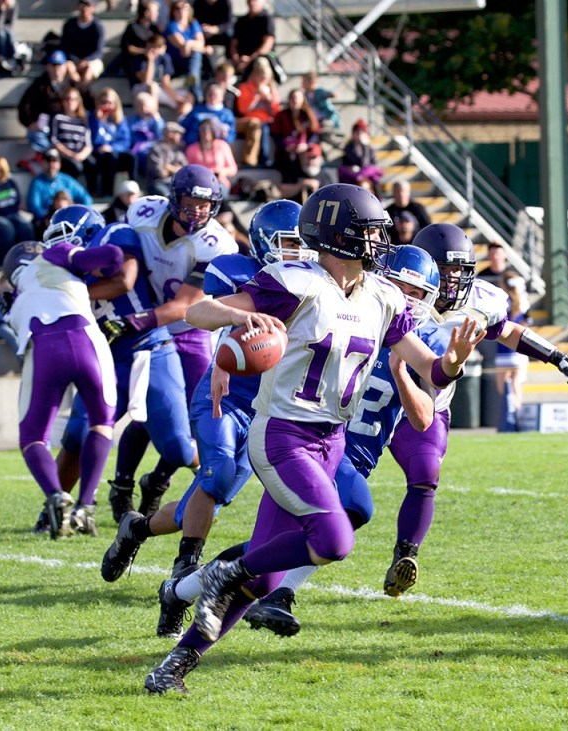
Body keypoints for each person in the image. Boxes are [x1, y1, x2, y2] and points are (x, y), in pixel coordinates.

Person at [142, 184, 485, 694]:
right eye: (369, 232)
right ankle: (219, 572)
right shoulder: (296, 282)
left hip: (332, 441)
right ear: (339, 234)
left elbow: (429, 368)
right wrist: (244, 317)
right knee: (332, 540)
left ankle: (175, 663)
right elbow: (198, 312)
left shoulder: (382, 296)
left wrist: (454, 360)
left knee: (264, 579)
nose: (378, 242)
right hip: (282, 434)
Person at [99, 202, 315, 615]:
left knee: (209, 499)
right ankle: (185, 569)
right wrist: (238, 320)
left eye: (302, 245)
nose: (297, 254)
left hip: (268, 409)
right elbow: (200, 311)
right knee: (214, 473)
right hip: (225, 394)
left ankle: (136, 528)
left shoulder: (315, 284)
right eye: (288, 243)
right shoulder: (240, 271)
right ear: (265, 242)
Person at [241, 243, 445, 637]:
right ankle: (279, 594)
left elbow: (423, 419)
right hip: (314, 441)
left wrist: (404, 372)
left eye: (418, 294)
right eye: (402, 288)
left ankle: (186, 588)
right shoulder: (357, 313)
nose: (409, 299)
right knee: (352, 510)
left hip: (350, 454)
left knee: (279, 545)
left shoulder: (421, 342)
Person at [374, 223, 568, 599]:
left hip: (426, 405)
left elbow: (508, 331)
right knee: (343, 492)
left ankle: (405, 555)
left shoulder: (480, 300)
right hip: (368, 400)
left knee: (426, 474)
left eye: (460, 269)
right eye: (446, 269)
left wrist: (556, 356)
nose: (454, 278)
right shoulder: (393, 290)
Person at [103, 164, 238, 525]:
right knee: (147, 412)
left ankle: (158, 478)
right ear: (173, 199)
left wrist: (133, 320)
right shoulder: (143, 212)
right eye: (191, 202)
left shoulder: (217, 242)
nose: (197, 211)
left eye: (205, 205)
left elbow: (185, 306)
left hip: (190, 328)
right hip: (149, 330)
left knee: (196, 419)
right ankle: (122, 485)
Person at [55, 219, 197, 535]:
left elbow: (125, 281)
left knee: (179, 450)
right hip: (107, 359)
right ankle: (57, 507)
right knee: (77, 433)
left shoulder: (116, 236)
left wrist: (66, 290)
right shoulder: (61, 274)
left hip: (150, 350)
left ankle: (216, 474)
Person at [3, 208, 122, 539]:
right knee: (101, 423)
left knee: (32, 437)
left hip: (43, 352)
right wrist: (95, 266)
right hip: (85, 341)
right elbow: (112, 255)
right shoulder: (56, 253)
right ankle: (86, 505)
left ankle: (56, 495)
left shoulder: (14, 298)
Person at [478, 242, 530, 431]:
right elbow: (526, 322)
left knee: (503, 388)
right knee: (517, 386)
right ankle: (517, 416)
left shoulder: (501, 303)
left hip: (503, 351)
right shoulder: (522, 303)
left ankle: (509, 419)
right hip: (519, 351)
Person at [17, 49, 78, 157]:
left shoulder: (71, 84)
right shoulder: (40, 85)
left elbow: (88, 100)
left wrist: (75, 77)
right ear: (48, 67)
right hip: (46, 130)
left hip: (65, 130)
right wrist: (30, 122)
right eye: (53, 65)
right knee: (36, 137)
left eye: (59, 65)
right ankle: (51, 157)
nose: (56, 69)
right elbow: (24, 106)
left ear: (65, 66)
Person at [26, 148, 94, 227]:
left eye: (54, 161)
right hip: (47, 222)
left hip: (69, 220)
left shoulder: (67, 180)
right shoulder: (37, 182)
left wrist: (79, 214)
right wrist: (51, 219)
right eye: (48, 161)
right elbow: (34, 206)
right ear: (42, 163)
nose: (51, 165)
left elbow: (86, 198)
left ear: (59, 163)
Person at [129, 33, 193, 117]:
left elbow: (165, 83)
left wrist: (175, 98)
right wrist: (150, 61)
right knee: (152, 85)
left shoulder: (165, 58)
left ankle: (182, 118)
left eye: (155, 48)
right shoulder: (138, 59)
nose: (152, 51)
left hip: (160, 89)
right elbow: (146, 80)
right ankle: (155, 117)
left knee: (187, 96)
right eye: (150, 47)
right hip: (141, 89)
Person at [88, 88, 135, 197]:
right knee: (109, 158)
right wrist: (99, 121)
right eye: (104, 103)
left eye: (110, 103)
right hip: (98, 153)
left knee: (131, 158)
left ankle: (133, 189)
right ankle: (107, 192)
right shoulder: (92, 118)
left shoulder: (120, 120)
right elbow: (93, 139)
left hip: (115, 151)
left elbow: (125, 141)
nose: (107, 106)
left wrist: (111, 147)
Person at [234, 55, 279, 167]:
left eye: (265, 77)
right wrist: (256, 97)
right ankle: (257, 159)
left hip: (267, 121)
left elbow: (274, 113)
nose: (262, 80)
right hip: (250, 120)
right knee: (258, 126)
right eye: (260, 76)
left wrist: (268, 101)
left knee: (266, 127)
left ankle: (268, 158)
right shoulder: (245, 87)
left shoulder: (272, 89)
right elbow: (243, 110)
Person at [164, 0, 208, 102]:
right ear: (173, 11)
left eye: (185, 7)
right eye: (178, 8)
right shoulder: (171, 26)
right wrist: (197, 46)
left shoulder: (193, 23)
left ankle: (194, 86)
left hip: (192, 61)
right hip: (177, 62)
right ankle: (197, 94)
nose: (182, 11)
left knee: (195, 55)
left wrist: (189, 44)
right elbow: (181, 45)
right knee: (196, 54)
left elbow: (201, 42)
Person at [50, 87, 94, 186]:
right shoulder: (58, 118)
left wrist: (81, 155)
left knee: (92, 163)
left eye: (73, 99)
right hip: (65, 154)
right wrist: (70, 154)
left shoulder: (83, 121)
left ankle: (93, 193)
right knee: (76, 167)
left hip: (80, 153)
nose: (70, 102)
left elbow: (88, 144)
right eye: (67, 99)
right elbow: (54, 140)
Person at [185, 118, 237, 198]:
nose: (206, 131)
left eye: (209, 128)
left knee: (219, 193)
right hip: (198, 184)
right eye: (203, 129)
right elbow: (188, 170)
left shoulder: (222, 145)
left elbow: (233, 168)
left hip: (218, 182)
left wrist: (222, 172)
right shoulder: (191, 149)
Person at [60, 0, 106, 88]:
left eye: (87, 5)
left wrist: (86, 61)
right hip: (73, 59)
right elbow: (65, 46)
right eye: (82, 4)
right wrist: (75, 60)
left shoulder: (97, 26)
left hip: (92, 59)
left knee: (88, 72)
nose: (84, 8)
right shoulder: (69, 24)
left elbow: (99, 51)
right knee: (68, 68)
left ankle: (81, 93)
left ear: (93, 8)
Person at [179, 82, 237, 147]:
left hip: (216, 147)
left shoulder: (227, 114)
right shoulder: (197, 110)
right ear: (205, 95)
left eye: (215, 95)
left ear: (222, 97)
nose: (212, 97)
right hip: (194, 145)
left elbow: (232, 135)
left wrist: (226, 136)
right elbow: (184, 126)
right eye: (210, 94)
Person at [230, 0, 275, 80]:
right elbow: (234, 43)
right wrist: (236, 58)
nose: (252, 3)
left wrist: (250, 59)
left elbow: (267, 44)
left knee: (261, 63)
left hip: (258, 57)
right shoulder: (241, 21)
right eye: (250, 1)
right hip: (241, 59)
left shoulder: (267, 19)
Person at [338, 119, 383, 196]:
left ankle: (379, 199)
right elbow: (354, 162)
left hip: (367, 175)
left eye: (362, 132)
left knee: (374, 180)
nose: (359, 134)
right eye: (357, 132)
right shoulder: (349, 147)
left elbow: (369, 164)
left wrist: (365, 146)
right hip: (353, 175)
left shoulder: (369, 148)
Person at [144, 121, 188, 196]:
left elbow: (185, 171)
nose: (180, 136)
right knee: (167, 196)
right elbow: (161, 173)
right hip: (158, 183)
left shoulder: (178, 151)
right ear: (170, 134)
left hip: (176, 183)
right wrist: (176, 168)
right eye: (177, 133)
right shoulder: (156, 149)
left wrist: (168, 167)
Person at [119, 0, 160, 76]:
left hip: (154, 60)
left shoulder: (155, 29)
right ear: (146, 13)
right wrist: (144, 52)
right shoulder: (132, 28)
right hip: (137, 62)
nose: (157, 14)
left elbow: (161, 45)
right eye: (154, 12)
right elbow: (128, 47)